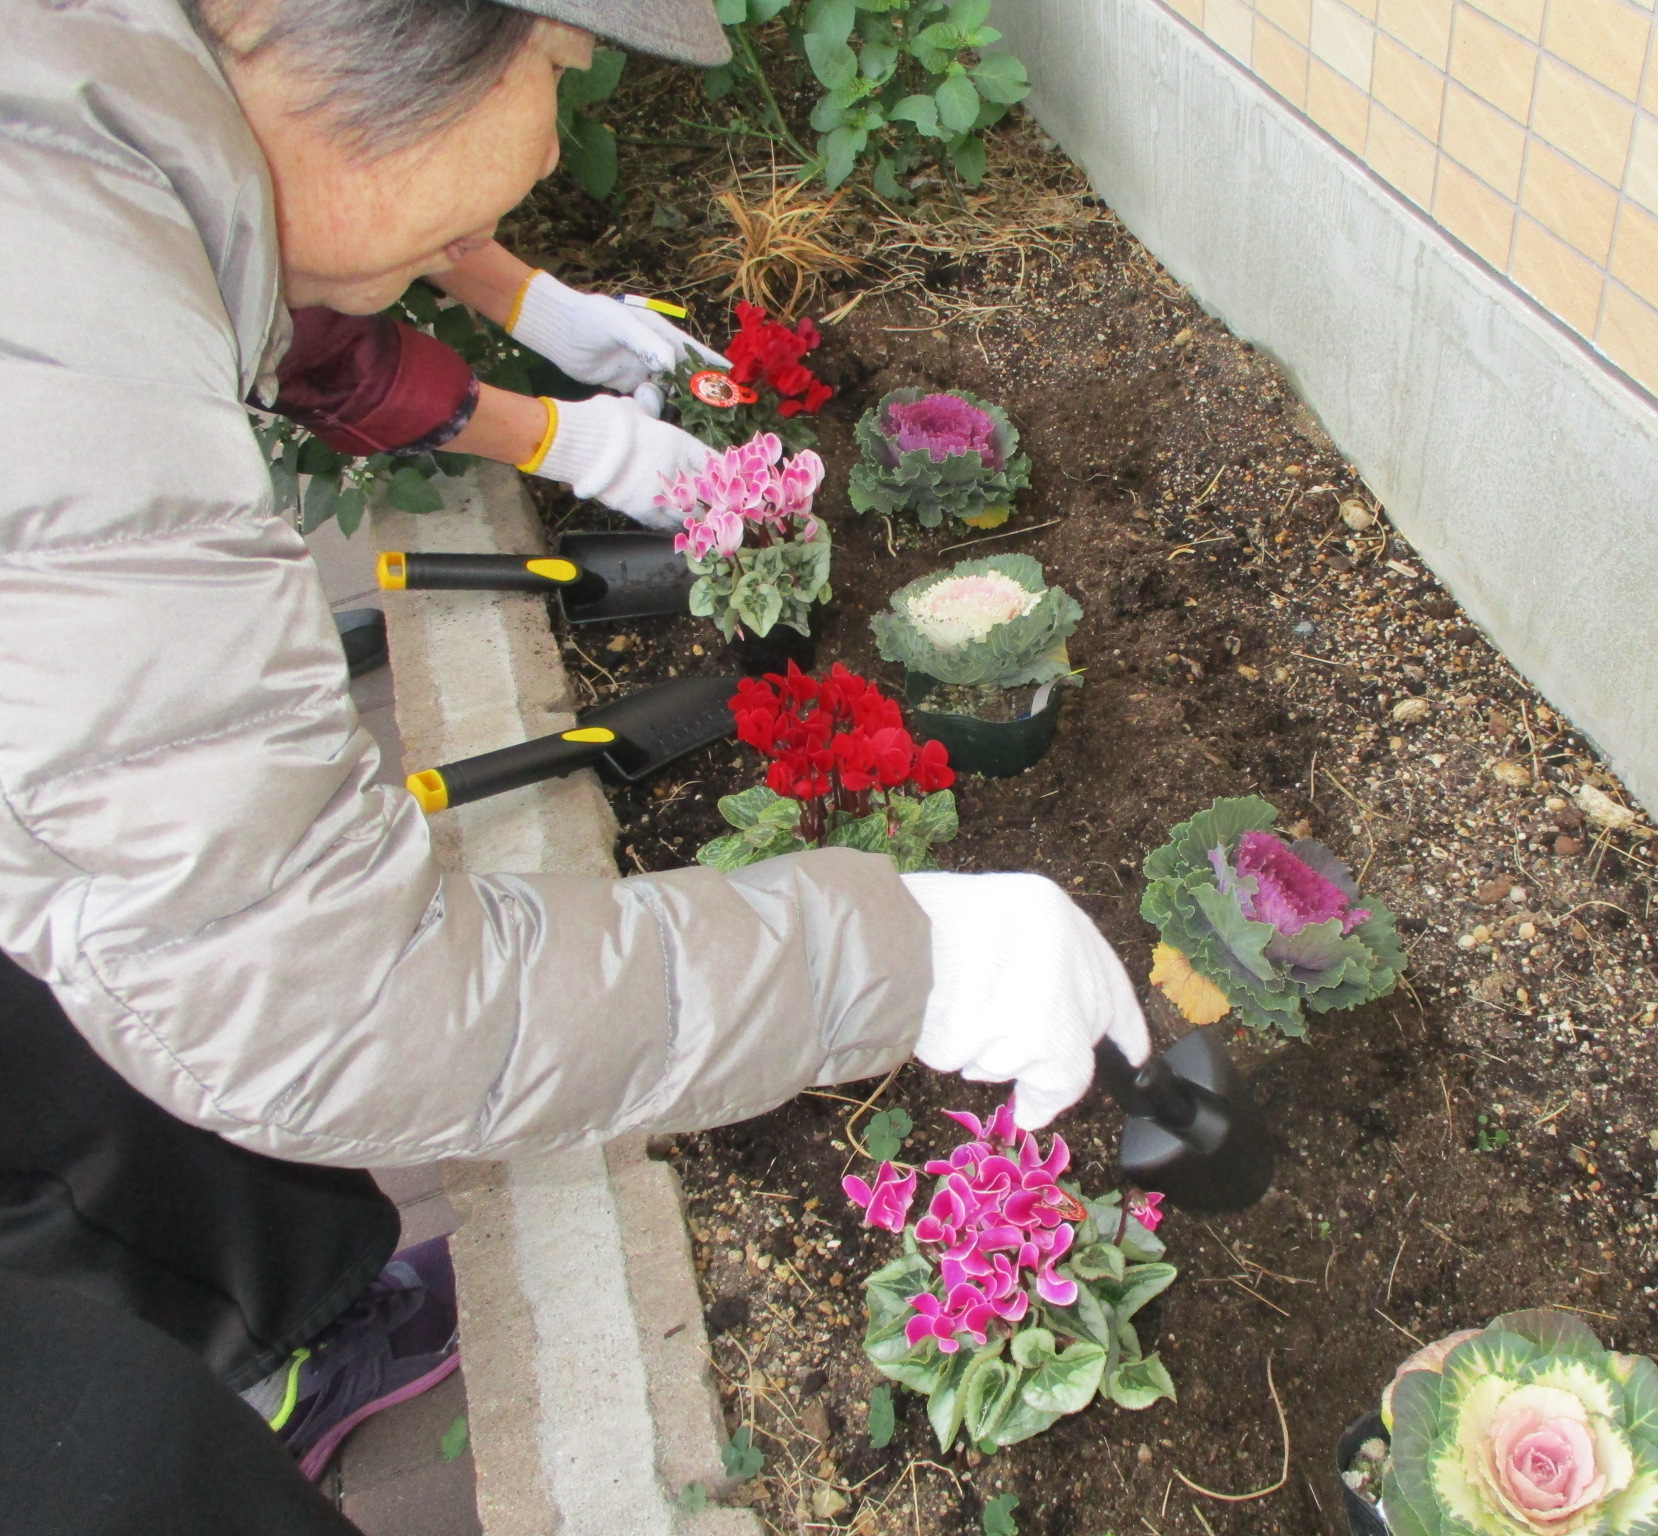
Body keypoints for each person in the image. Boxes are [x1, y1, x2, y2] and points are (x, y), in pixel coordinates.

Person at [0, 1, 1149, 1528]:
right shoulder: (59, 320)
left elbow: (272, 220)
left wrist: (513, 312)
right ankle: (249, 1359)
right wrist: (898, 953)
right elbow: (335, 995)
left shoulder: (88, 127)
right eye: (556, 63)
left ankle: (282, 1311)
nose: (552, 140)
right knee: (120, 1454)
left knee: (75, 1040)